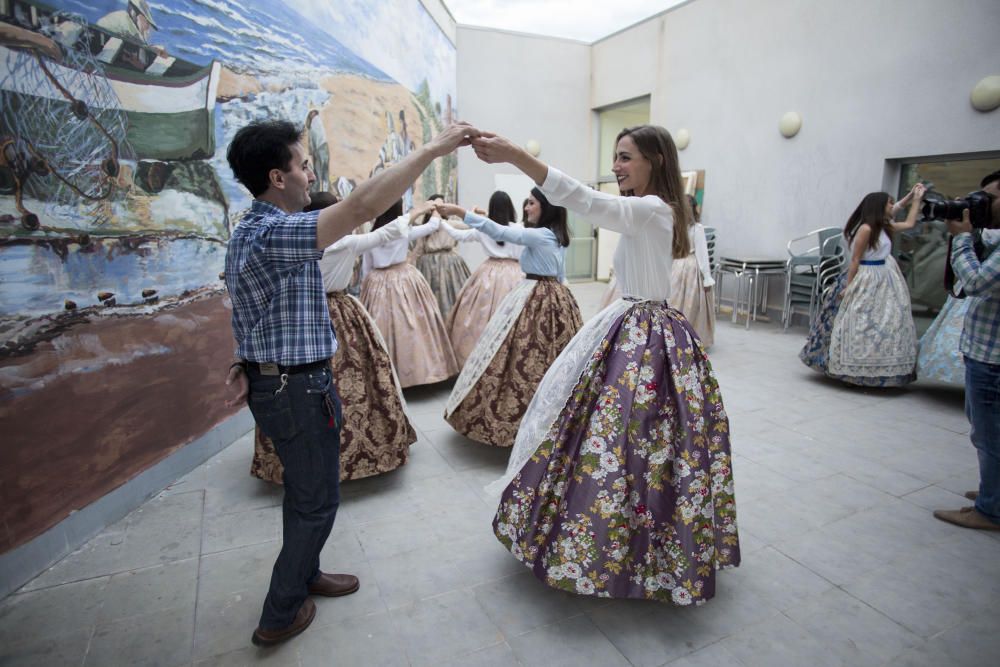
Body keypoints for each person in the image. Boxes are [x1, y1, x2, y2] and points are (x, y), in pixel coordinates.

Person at [223, 118, 475, 646]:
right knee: (318, 500)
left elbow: (252, 306)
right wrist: (432, 148)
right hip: (296, 389)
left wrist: (245, 360)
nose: (310, 170)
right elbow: (361, 209)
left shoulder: (252, 230)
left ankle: (306, 572)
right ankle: (279, 612)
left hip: (289, 383)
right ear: (277, 176)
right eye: (302, 162)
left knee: (305, 490)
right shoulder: (274, 232)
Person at [472, 125, 739, 605]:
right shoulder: (651, 210)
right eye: (615, 157)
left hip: (646, 331)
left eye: (624, 157)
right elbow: (595, 203)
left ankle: (634, 548)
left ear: (655, 159)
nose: (616, 166)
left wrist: (515, 154)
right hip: (633, 321)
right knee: (611, 437)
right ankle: (622, 540)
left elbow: (585, 200)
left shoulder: (655, 209)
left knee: (633, 441)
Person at [251, 192, 417, 486]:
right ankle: (363, 449)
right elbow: (387, 232)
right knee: (359, 378)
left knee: (299, 387)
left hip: (300, 316)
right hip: (340, 313)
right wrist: (420, 211)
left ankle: (297, 457)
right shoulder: (344, 243)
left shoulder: (292, 244)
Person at [438, 189, 583, 448]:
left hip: (537, 296)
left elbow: (501, 232)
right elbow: (560, 274)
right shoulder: (558, 236)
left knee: (521, 354)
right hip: (553, 296)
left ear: (546, 207)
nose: (527, 208)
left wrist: (460, 212)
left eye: (532, 203)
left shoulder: (540, 235)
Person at [934, 170, 1000, 531]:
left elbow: (974, 281)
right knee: (987, 432)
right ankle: (993, 495)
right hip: (986, 353)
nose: (981, 205)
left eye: (989, 199)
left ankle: (991, 510)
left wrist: (961, 239)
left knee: (990, 436)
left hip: (994, 358)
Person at [800, 185, 923, 375]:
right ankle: (849, 366)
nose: (892, 206)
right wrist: (849, 287)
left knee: (885, 322)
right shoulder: (866, 229)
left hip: (884, 279)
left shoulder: (883, 227)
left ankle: (878, 367)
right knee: (857, 321)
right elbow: (856, 259)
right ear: (879, 207)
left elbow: (908, 223)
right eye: (889, 203)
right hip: (866, 276)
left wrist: (912, 199)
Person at [360, 200, 459, 388]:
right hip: (404, 279)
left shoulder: (373, 235)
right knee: (414, 324)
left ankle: (384, 374)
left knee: (381, 326)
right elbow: (432, 225)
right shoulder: (403, 230)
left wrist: (366, 291)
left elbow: (366, 267)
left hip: (378, 282)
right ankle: (417, 372)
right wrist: (436, 209)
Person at [443, 190, 525, 367]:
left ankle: (481, 358)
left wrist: (442, 224)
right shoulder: (519, 229)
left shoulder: (483, 228)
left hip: (489, 272)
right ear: (510, 207)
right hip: (515, 273)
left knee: (480, 316)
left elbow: (459, 236)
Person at [410, 193, 472, 317]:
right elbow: (419, 249)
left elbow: (468, 225)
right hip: (428, 266)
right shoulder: (426, 228)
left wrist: (467, 213)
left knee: (453, 296)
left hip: (450, 264)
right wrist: (409, 265)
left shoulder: (451, 224)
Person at [669, 194, 716, 347]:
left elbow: (670, 251)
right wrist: (707, 277)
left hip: (680, 266)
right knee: (689, 305)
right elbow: (702, 254)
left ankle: (676, 336)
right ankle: (685, 337)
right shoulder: (693, 228)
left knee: (678, 303)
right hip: (688, 266)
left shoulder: (682, 228)